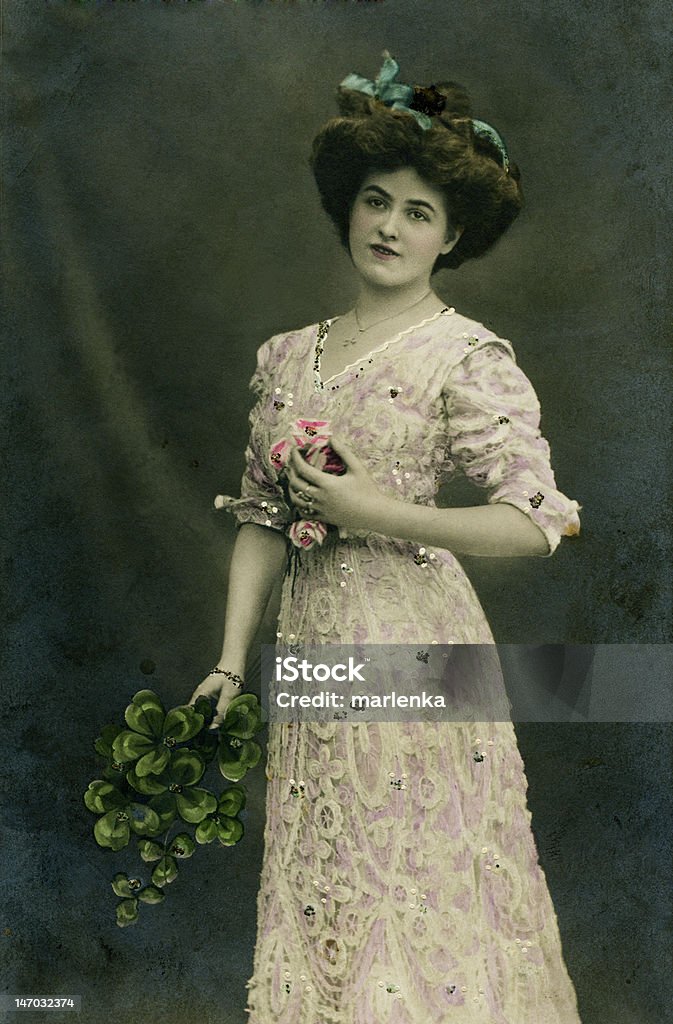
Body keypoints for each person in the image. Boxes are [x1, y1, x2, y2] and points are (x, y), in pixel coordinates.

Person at [188, 52, 583, 1024]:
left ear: (450, 238)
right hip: (313, 644)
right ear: (349, 209)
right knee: (329, 856)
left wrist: (376, 514)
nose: (390, 226)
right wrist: (232, 662)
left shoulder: (465, 354)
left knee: (419, 864)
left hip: (418, 640)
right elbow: (262, 519)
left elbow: (537, 520)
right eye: (376, 201)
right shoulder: (286, 356)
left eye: (418, 213)